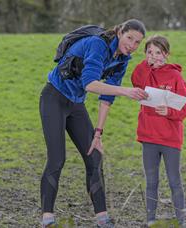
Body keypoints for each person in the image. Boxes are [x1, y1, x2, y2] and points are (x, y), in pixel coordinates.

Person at [39, 19, 148, 228]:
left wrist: (98, 133)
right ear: (119, 33)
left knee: (94, 156)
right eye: (129, 38)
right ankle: (47, 218)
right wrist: (126, 91)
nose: (132, 45)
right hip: (54, 98)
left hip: (76, 104)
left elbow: (107, 98)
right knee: (57, 159)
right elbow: (90, 84)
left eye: (137, 42)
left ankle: (102, 219)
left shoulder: (123, 58)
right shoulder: (98, 45)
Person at [131, 35, 186, 226]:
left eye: (158, 52)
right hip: (148, 136)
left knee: (174, 181)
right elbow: (135, 81)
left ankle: (181, 220)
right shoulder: (144, 72)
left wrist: (169, 111)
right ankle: (150, 220)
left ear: (166, 54)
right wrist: (145, 64)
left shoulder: (175, 76)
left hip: (170, 138)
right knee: (151, 182)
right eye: (149, 52)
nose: (154, 56)